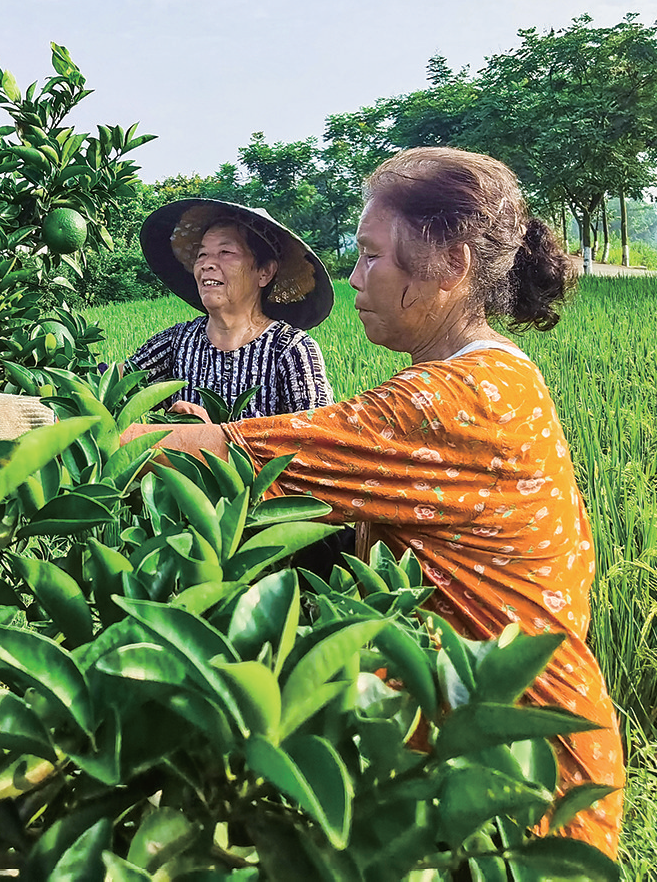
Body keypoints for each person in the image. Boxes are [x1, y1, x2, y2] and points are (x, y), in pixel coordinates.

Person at [120, 149, 623, 854]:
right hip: (461, 744)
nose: (353, 278)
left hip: (514, 773)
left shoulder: (454, 398)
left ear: (450, 264)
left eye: (369, 256)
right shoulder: (480, 372)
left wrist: (52, 434)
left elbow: (262, 451)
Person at [126, 199, 335, 421]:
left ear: (265, 272)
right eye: (202, 255)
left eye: (225, 252)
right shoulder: (177, 343)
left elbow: (316, 439)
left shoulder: (290, 349)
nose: (207, 264)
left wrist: (216, 437)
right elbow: (114, 387)